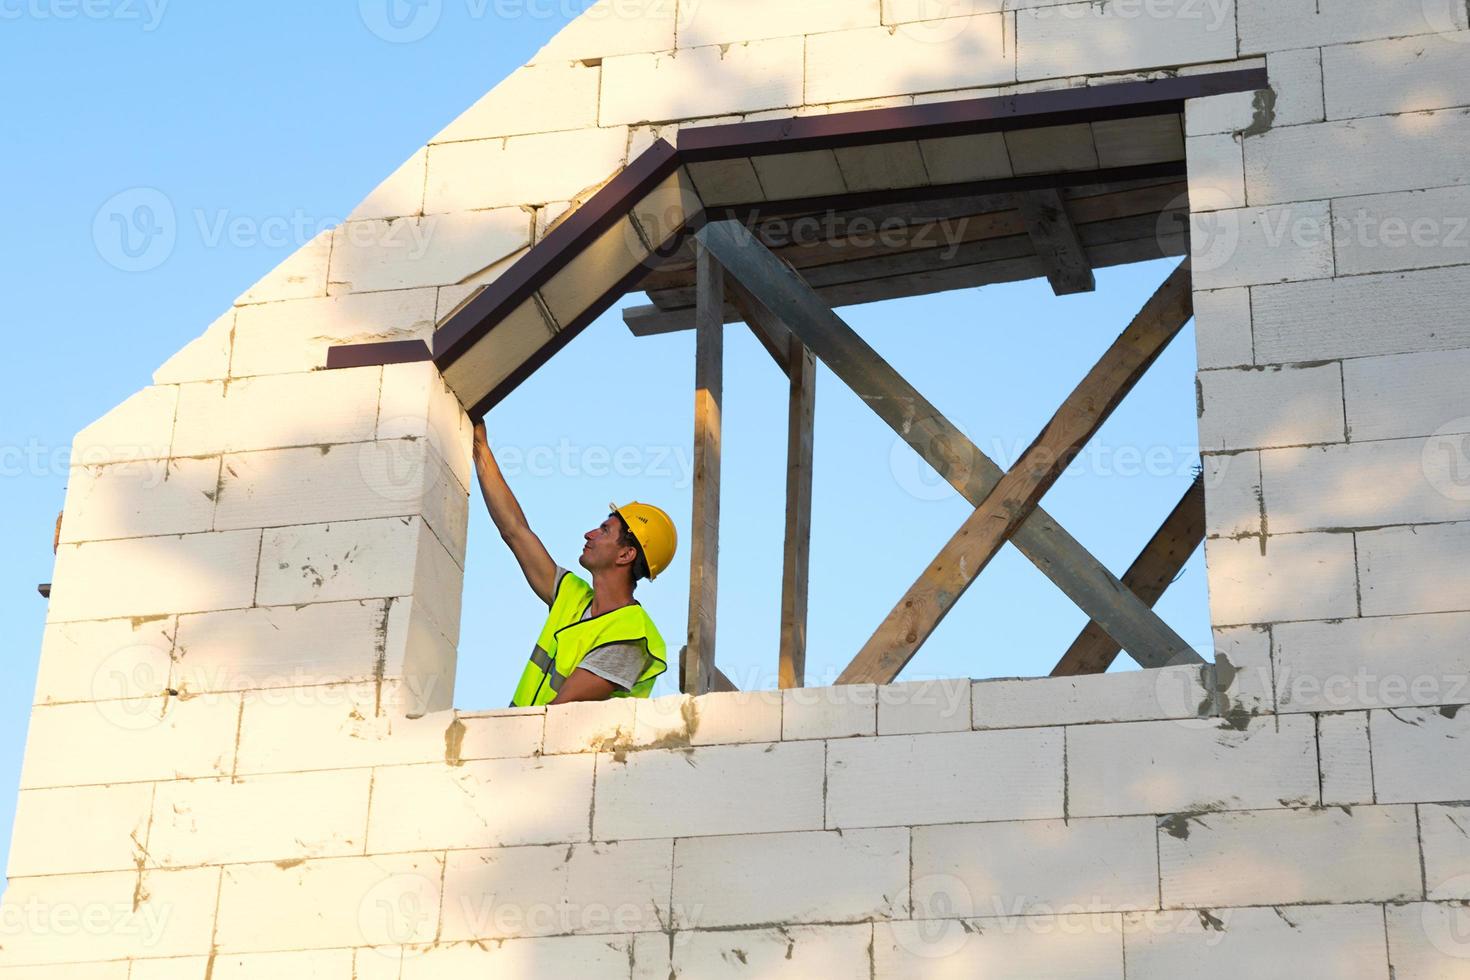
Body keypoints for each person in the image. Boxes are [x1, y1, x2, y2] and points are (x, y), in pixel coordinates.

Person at [472, 422, 677, 707]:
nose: (589, 534)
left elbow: (556, 713)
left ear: (626, 555)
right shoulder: (573, 596)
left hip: (545, 749)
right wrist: (480, 448)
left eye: (604, 530)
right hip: (522, 745)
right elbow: (515, 531)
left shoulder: (632, 634)